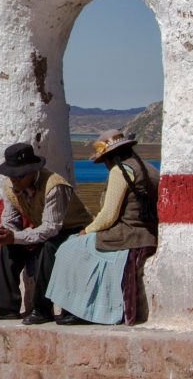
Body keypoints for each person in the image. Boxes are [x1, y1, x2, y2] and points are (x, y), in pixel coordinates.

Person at [46, 129, 158, 326]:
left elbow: (108, 215)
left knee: (70, 248)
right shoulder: (149, 169)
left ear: (108, 158)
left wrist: (87, 231)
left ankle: (79, 309)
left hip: (127, 233)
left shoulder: (120, 171)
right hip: (147, 232)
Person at [0, 142, 88, 325]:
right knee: (7, 247)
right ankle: (5, 306)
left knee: (48, 248)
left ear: (32, 171)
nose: (15, 180)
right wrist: (5, 233)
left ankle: (42, 308)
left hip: (72, 229)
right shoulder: (9, 186)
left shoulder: (55, 186)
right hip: (41, 228)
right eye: (11, 175)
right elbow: (10, 219)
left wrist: (17, 237)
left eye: (19, 175)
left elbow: (52, 227)